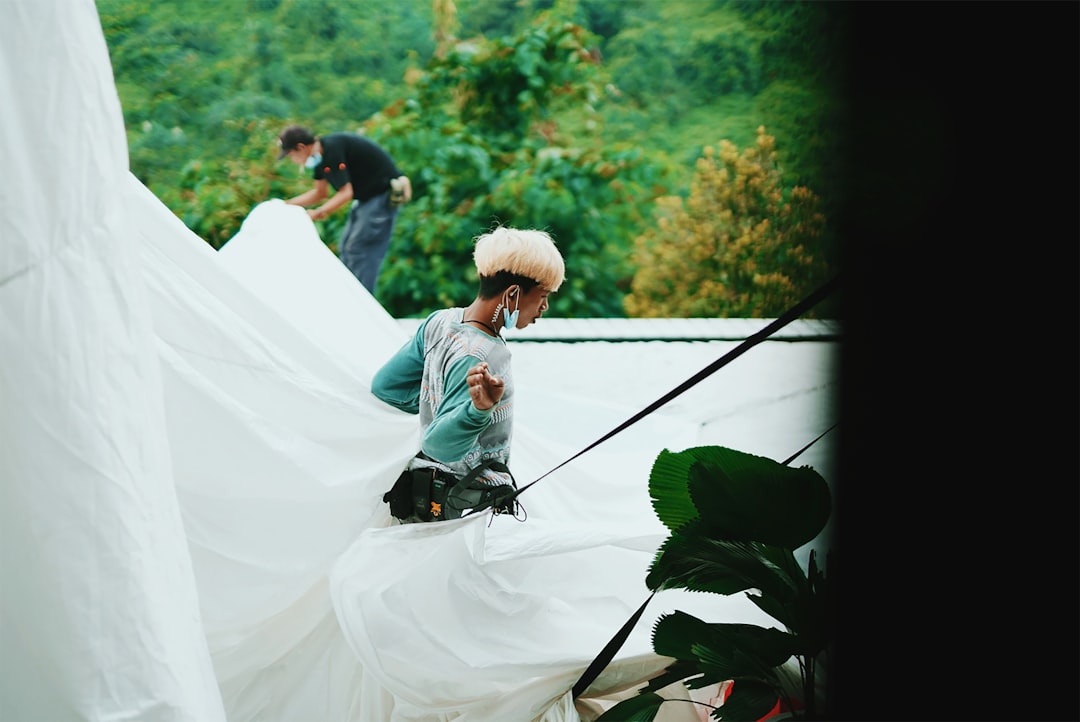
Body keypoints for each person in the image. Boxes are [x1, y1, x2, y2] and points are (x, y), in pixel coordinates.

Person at [372, 226, 565, 523]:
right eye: (542, 296)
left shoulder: (440, 322)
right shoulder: (484, 354)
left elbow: (388, 388)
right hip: (463, 512)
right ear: (513, 293)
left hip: (427, 496)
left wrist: (436, 405)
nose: (544, 307)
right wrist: (477, 411)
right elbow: (437, 445)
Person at [276, 124, 413, 296]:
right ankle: (349, 299)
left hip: (380, 196)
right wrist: (285, 205)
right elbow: (320, 193)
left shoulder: (332, 149)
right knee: (346, 247)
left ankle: (363, 303)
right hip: (365, 199)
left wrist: (318, 212)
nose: (292, 160)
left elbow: (346, 193)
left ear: (301, 148)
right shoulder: (320, 157)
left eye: (291, 155)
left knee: (358, 248)